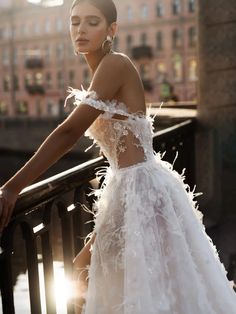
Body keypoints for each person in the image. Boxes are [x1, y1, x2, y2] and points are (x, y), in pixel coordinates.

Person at [0, 0, 236, 313]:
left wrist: (13, 187)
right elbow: (120, 163)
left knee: (146, 291)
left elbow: (69, 133)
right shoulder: (102, 70)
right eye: (75, 22)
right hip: (133, 191)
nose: (80, 29)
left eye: (92, 22)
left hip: (141, 193)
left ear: (112, 29)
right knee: (132, 286)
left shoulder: (115, 64)